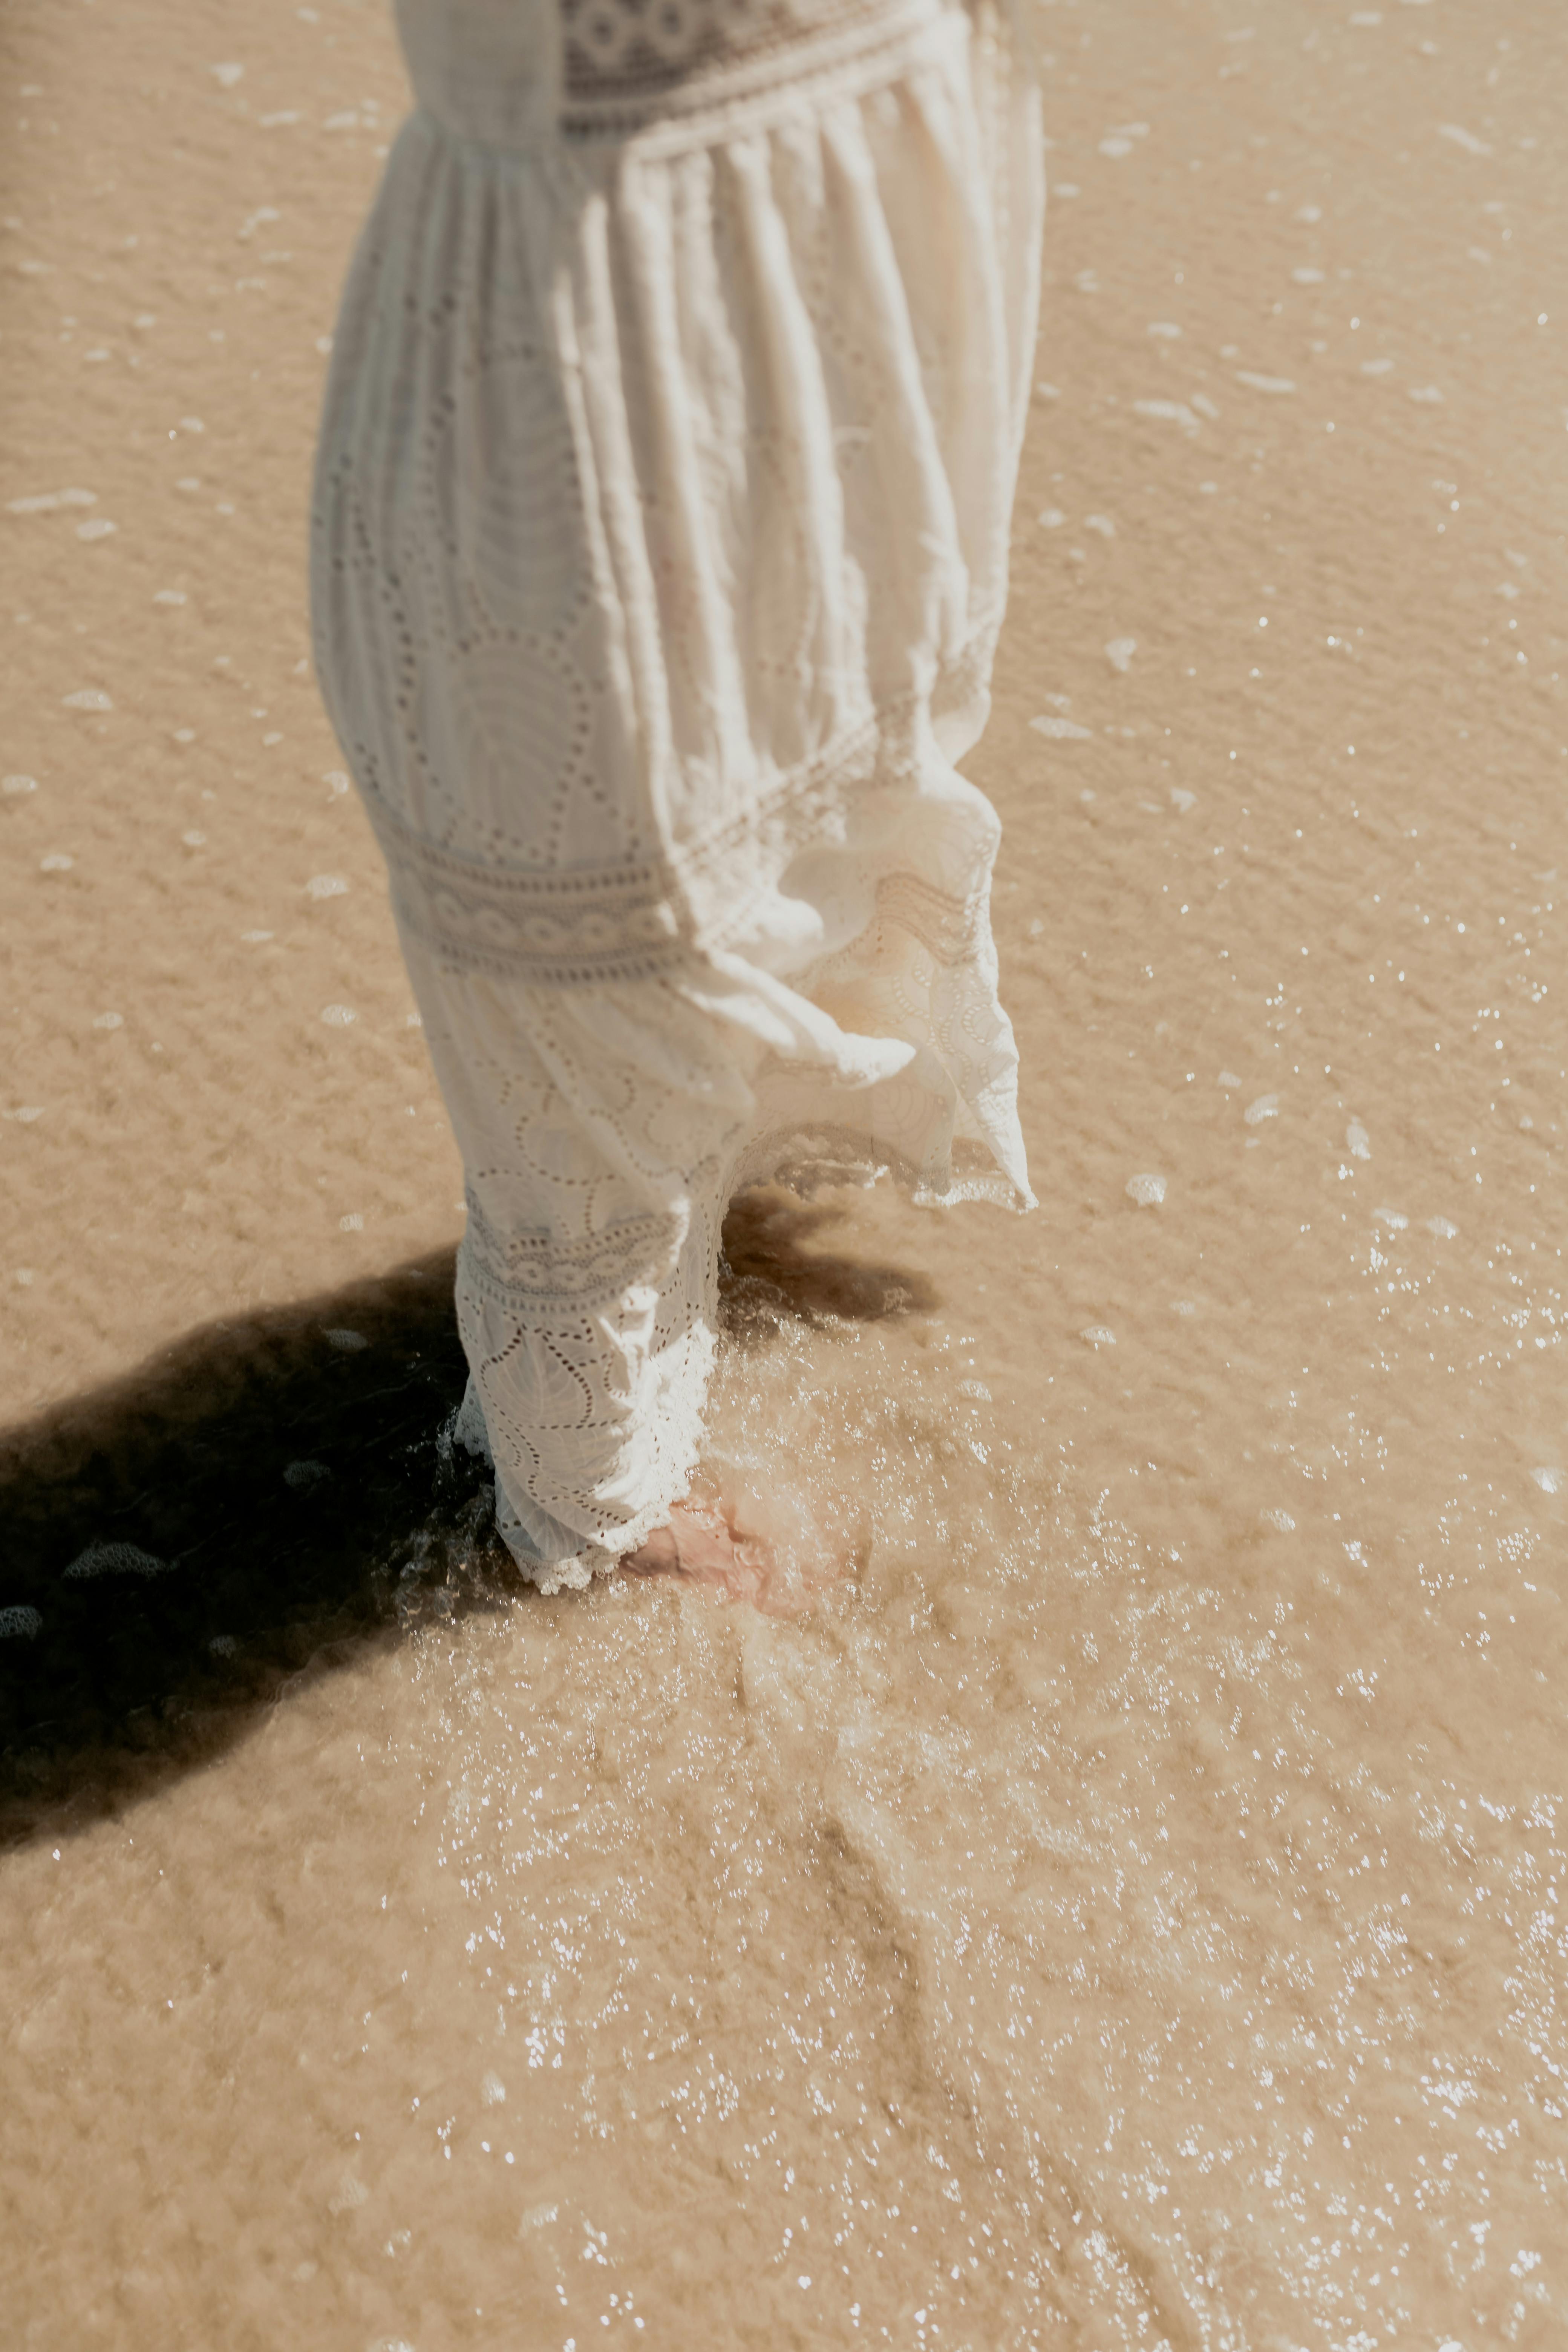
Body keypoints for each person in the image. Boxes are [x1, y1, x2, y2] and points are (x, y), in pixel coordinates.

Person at [311, 0, 1043, 1593]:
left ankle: (725, 1149)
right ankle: (597, 1472)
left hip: (862, 170)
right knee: (588, 887)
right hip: (579, 272)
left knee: (824, 759)